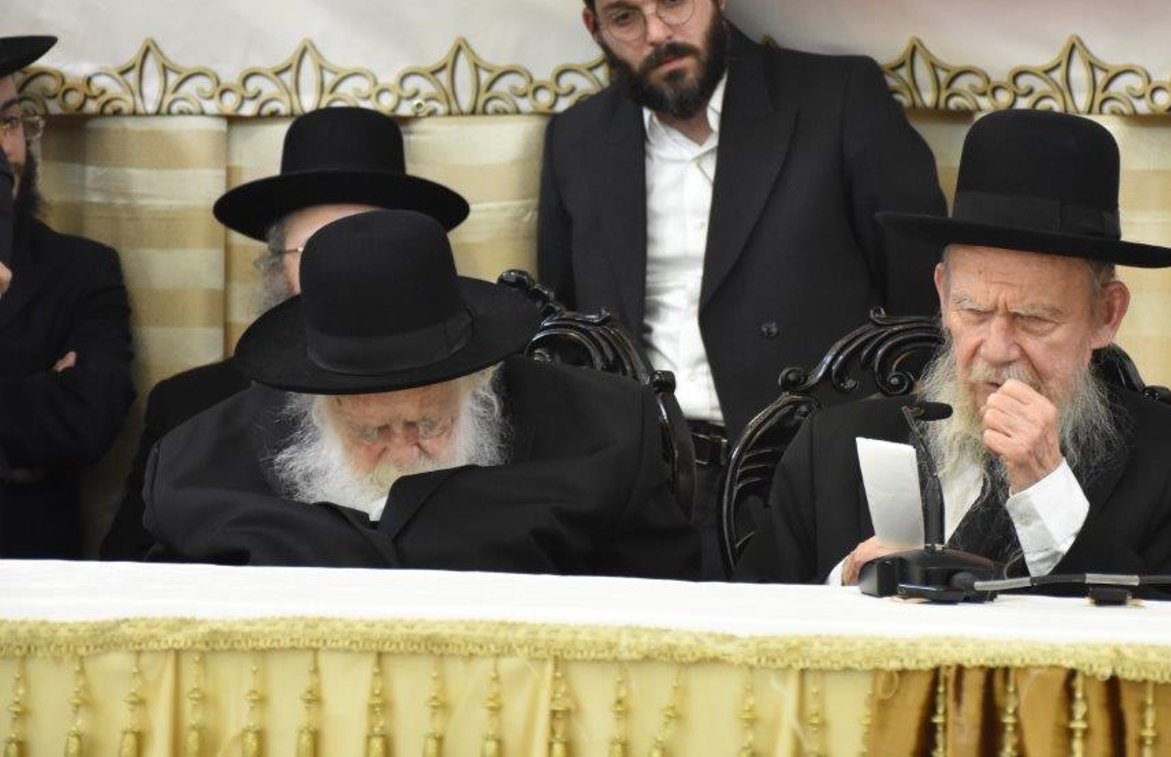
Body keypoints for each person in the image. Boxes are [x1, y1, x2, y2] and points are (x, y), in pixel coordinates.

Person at [518, 0, 946, 575]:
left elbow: (925, 313)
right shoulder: (576, 143)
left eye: (673, 0)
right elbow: (563, 338)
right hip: (639, 496)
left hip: (812, 483)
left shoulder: (838, 102)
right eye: (625, 17)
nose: (658, 34)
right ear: (595, 28)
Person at [735, 110, 1171, 605]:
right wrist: (845, 583)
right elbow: (746, 622)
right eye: (972, 311)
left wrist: (1046, 487)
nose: (996, 349)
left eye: (1034, 319)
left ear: (1106, 314)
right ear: (942, 293)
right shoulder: (830, 447)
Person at [143, 209, 699, 577]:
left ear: (477, 382)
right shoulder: (192, 472)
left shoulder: (607, 435)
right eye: (372, 431)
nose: (404, 451)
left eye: (428, 423)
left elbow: (670, 622)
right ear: (317, 404)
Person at [101, 105, 469, 559]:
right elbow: (131, 571)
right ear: (277, 269)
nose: (350, 273)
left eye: (371, 245)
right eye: (318, 249)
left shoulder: (479, 401)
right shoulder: (190, 409)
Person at [0, 35, 135, 558]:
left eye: (9, 122)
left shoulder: (81, 270)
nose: (5, 150)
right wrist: (35, 398)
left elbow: (87, 424)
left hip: (28, 575)